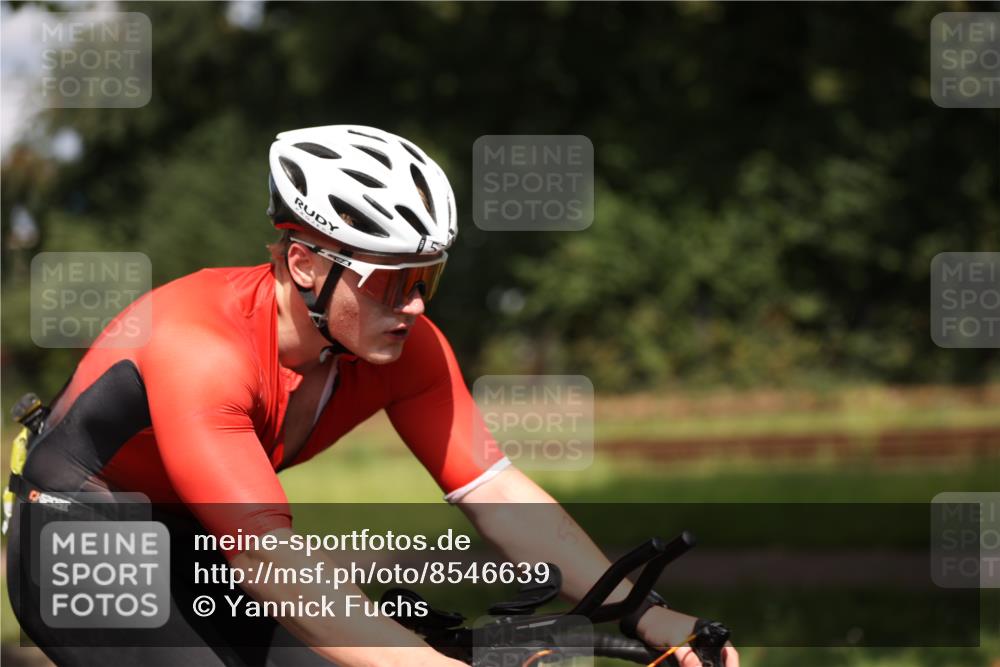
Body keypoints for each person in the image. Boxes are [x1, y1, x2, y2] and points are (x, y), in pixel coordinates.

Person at [5, 125, 738, 667]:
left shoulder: (400, 345)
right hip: (79, 535)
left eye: (429, 279)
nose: (415, 305)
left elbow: (497, 494)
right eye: (391, 280)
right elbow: (270, 563)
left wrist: (647, 613)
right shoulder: (200, 345)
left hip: (194, 535)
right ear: (303, 263)